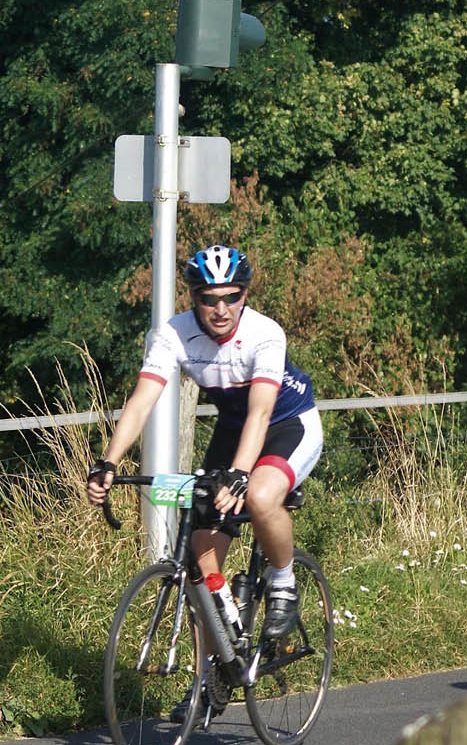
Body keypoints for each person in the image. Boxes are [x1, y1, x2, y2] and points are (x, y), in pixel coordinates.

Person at [86, 245, 323, 647]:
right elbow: (142, 400)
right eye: (209, 299)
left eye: (233, 296)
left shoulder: (264, 334)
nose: (221, 308)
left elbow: (261, 413)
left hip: (287, 424)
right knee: (200, 559)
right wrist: (108, 461)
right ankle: (210, 676)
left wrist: (239, 475)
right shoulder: (172, 334)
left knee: (262, 497)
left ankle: (283, 582)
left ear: (245, 295)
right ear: (193, 298)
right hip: (234, 428)